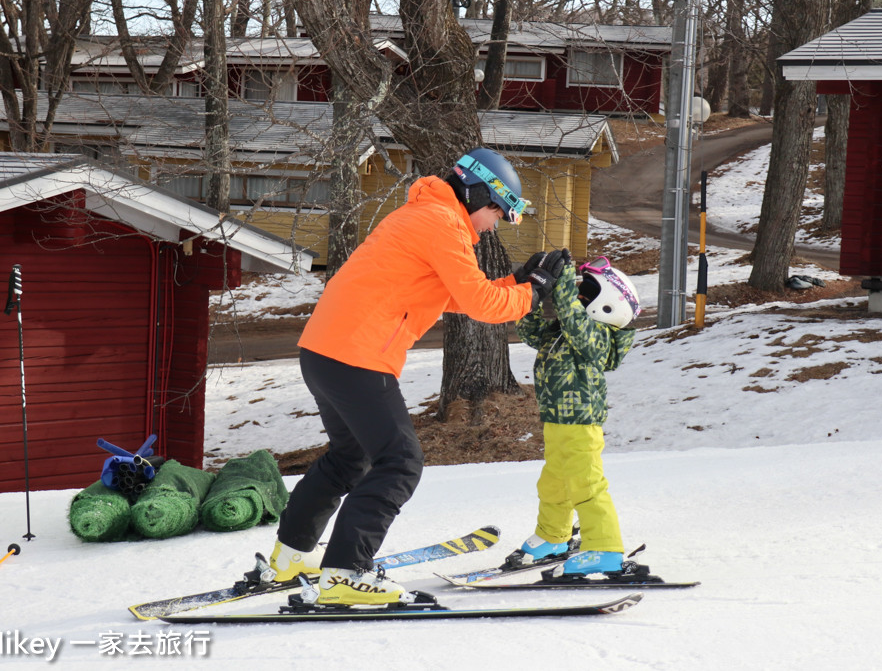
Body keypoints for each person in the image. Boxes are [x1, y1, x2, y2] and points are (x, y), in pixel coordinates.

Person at [267, 147, 566, 606]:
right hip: (356, 355)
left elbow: (455, 296)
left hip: (325, 351)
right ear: (478, 194)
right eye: (495, 212)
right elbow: (482, 306)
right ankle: (346, 573)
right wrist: (533, 292)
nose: (492, 224)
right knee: (400, 462)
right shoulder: (442, 225)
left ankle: (290, 557)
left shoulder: (427, 214)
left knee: (350, 458)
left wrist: (517, 281)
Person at [511, 255, 640, 577]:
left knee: (586, 484)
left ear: (607, 305)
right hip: (556, 421)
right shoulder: (564, 330)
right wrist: (528, 288)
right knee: (553, 483)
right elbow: (530, 331)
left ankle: (605, 548)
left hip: (581, 423)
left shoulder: (598, 334)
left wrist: (566, 281)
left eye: (586, 294)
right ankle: (553, 536)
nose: (578, 299)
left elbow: (574, 320)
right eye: (579, 293)